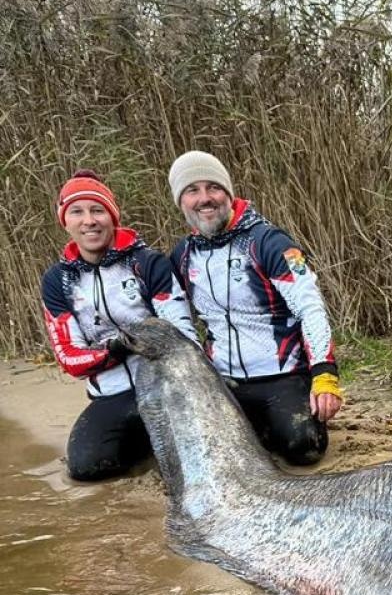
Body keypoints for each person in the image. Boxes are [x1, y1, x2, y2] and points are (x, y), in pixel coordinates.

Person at [167, 152, 342, 466]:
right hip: (223, 379)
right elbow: (173, 321)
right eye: (192, 190)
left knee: (305, 449)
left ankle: (282, 420)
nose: (205, 199)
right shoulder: (181, 255)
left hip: (282, 375)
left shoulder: (269, 242)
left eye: (213, 188)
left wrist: (324, 374)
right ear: (181, 202)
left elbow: (310, 308)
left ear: (228, 194)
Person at [41, 169, 199, 482]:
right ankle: (143, 446)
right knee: (86, 468)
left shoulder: (148, 263)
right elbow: (69, 358)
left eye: (98, 210)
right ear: (65, 221)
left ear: (112, 216)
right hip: (111, 394)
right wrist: (116, 349)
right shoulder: (56, 281)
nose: (89, 221)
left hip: (165, 388)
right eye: (77, 212)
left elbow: (183, 338)